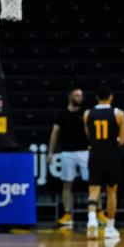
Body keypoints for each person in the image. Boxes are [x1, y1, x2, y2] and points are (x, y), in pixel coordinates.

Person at [83, 85, 124, 240]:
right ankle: (110, 227)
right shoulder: (119, 114)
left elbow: (89, 135)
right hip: (111, 156)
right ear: (111, 97)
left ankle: (92, 218)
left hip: (95, 155)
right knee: (111, 192)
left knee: (93, 191)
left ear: (96, 97)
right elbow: (122, 141)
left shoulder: (88, 114)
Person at [46, 86, 89, 227]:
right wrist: (50, 152)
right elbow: (54, 133)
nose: (80, 98)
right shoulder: (62, 114)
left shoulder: (85, 113)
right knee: (67, 185)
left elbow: (91, 132)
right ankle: (67, 214)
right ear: (70, 96)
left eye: (81, 96)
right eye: (77, 95)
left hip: (85, 152)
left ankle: (97, 212)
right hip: (67, 153)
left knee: (93, 184)